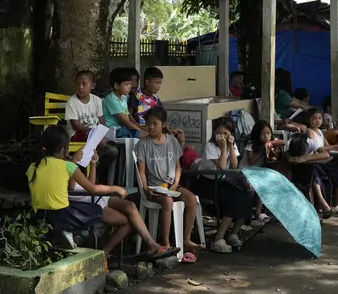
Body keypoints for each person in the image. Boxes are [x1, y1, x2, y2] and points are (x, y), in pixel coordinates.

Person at [28, 126, 172, 264]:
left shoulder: (32, 167)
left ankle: (146, 245)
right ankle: (104, 254)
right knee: (123, 218)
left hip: (41, 214)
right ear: (63, 150)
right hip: (67, 212)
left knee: (129, 210)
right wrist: (115, 188)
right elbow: (92, 189)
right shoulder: (67, 166)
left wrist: (92, 164)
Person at [136, 107, 201, 261]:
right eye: (148, 124)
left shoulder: (171, 141)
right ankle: (165, 243)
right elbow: (142, 172)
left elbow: (178, 167)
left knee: (191, 199)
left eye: (155, 124)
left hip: (171, 186)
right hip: (154, 187)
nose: (150, 127)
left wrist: (175, 184)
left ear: (164, 124)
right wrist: (145, 189)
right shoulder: (143, 144)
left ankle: (186, 239)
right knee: (167, 201)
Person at [193, 117, 255, 253]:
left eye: (225, 133)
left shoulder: (231, 145)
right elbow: (221, 166)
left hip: (221, 182)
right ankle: (218, 239)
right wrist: (223, 147)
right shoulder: (210, 146)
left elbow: (233, 165)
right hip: (207, 183)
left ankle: (234, 233)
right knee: (234, 198)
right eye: (219, 133)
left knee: (247, 195)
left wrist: (231, 147)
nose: (221, 136)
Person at [64, 70, 119, 183]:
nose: (80, 87)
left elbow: (102, 122)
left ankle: (95, 173)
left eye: (84, 84)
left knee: (113, 152)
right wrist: (95, 133)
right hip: (77, 135)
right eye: (78, 84)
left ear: (92, 86)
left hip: (94, 134)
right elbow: (76, 126)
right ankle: (88, 176)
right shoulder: (72, 102)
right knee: (100, 143)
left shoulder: (96, 100)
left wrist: (103, 133)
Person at [306, 107, 338, 214]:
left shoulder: (319, 132)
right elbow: (317, 149)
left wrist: (335, 147)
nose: (317, 121)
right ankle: (336, 203)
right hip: (317, 162)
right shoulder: (310, 132)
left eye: (319, 118)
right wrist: (334, 148)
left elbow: (327, 146)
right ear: (308, 120)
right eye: (314, 118)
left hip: (326, 160)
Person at [244, 120, 287, 222]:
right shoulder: (251, 144)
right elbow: (251, 162)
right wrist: (261, 150)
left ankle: (258, 212)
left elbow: (283, 142)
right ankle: (247, 212)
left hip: (258, 172)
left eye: (268, 133)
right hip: (246, 171)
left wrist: (270, 143)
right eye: (263, 134)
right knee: (251, 189)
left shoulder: (270, 142)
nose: (266, 136)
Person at [104, 68, 147, 139]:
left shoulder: (123, 97)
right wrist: (140, 131)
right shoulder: (112, 100)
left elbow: (128, 116)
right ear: (116, 86)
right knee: (143, 135)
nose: (129, 87)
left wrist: (141, 129)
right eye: (126, 84)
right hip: (114, 130)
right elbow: (125, 121)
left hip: (123, 128)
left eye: (130, 84)